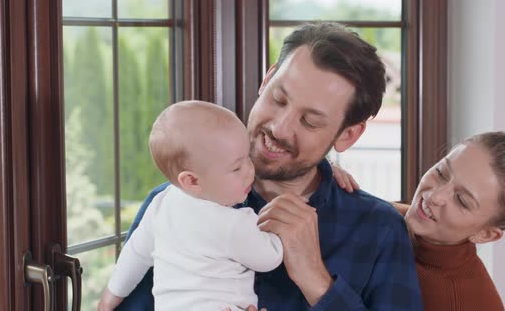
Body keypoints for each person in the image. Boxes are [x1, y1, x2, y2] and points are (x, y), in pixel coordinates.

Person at [116, 22, 423, 311]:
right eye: (278, 99)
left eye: (309, 121)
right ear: (267, 79)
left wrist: (318, 282)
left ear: (347, 134)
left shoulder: (378, 230)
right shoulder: (178, 200)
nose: (279, 127)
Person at [333, 131, 505, 311]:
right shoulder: (397, 220)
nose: (434, 196)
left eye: (462, 201)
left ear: (486, 235)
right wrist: (325, 181)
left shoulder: (459, 301)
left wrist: (316, 280)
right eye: (442, 173)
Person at [97, 101, 283, 310]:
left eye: (248, 157)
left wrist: (110, 297)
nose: (250, 170)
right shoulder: (233, 223)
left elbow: (135, 255)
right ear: (192, 181)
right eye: (237, 167)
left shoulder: (160, 205)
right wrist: (278, 226)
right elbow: (270, 258)